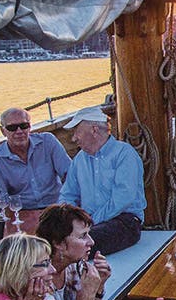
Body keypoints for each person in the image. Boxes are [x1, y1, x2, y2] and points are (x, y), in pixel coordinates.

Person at [57, 105, 145, 256]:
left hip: (124, 221)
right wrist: (68, 220)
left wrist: (88, 222)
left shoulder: (124, 154)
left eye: (77, 131)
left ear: (94, 130)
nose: (73, 138)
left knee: (78, 246)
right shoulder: (79, 160)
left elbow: (123, 198)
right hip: (87, 223)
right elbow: (68, 195)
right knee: (53, 240)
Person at [34, 203, 111, 300]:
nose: (91, 242)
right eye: (82, 236)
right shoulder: (41, 278)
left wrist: (98, 287)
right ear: (59, 244)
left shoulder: (74, 267)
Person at [0, 107, 70, 210]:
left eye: (24, 126)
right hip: (23, 213)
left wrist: (67, 203)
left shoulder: (48, 142)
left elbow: (70, 175)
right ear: (3, 131)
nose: (19, 131)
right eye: (12, 128)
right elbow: (1, 201)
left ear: (30, 127)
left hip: (58, 206)